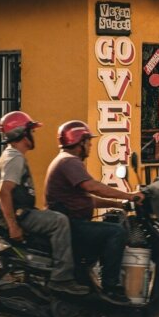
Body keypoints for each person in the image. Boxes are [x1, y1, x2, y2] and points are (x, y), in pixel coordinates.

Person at [44, 120, 143, 304]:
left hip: (70, 222)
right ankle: (111, 288)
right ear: (79, 142)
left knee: (111, 226)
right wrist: (130, 196)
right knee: (116, 232)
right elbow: (92, 187)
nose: (90, 145)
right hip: (71, 225)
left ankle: (91, 280)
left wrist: (119, 204)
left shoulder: (68, 160)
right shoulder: (69, 161)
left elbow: (88, 200)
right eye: (88, 141)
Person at [0, 111, 88, 296]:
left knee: (52, 217)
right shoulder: (14, 157)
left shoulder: (12, 155)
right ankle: (62, 279)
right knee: (59, 221)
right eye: (31, 131)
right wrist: (13, 226)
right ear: (22, 133)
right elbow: (4, 192)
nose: (33, 135)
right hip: (19, 216)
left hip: (22, 213)